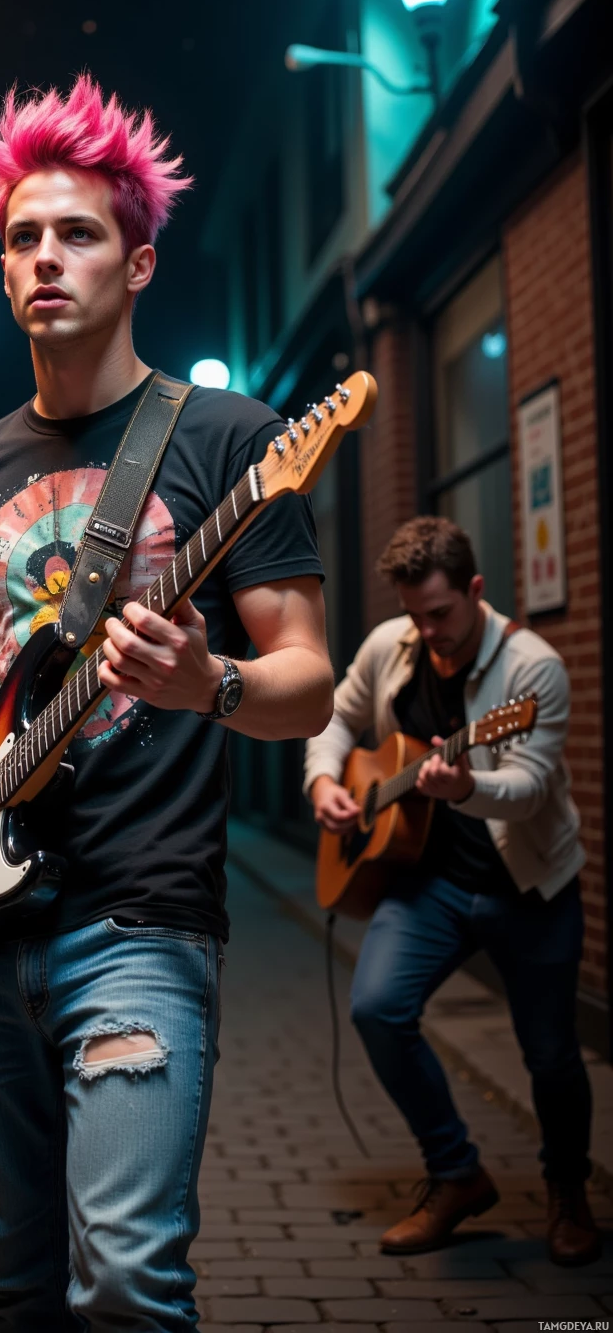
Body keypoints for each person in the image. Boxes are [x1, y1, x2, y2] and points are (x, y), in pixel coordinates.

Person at [0, 74, 334, 1330]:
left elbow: (306, 683)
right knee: (9, 1283)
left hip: (140, 917)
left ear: (136, 264)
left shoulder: (232, 439)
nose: (44, 257)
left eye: (76, 234)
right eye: (23, 234)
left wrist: (209, 681)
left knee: (126, 1278)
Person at [306, 515, 598, 1265]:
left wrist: (466, 787)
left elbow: (531, 789)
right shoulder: (390, 647)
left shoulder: (533, 672)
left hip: (527, 885)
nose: (427, 630)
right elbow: (331, 719)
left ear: (474, 590)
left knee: (552, 1058)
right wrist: (322, 782)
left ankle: (569, 1192)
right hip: (426, 879)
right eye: (413, 615)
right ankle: (455, 1175)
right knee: (376, 1007)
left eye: (439, 613)